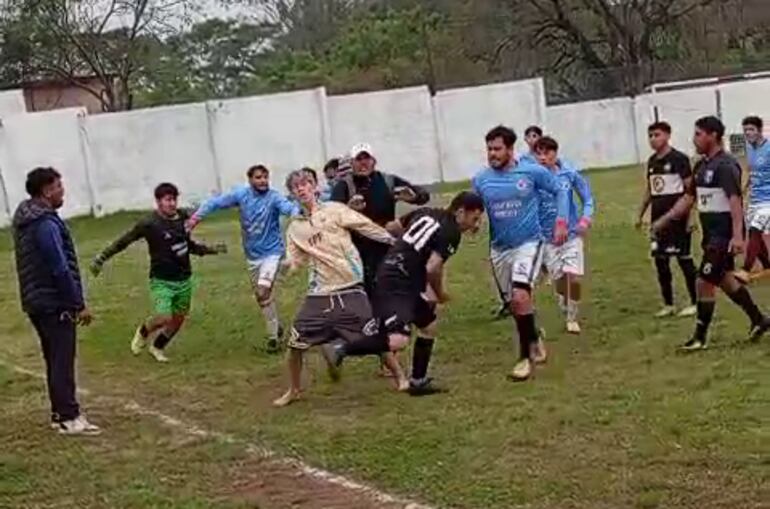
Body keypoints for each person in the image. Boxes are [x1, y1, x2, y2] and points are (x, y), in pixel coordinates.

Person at [322, 191, 486, 394]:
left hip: (398, 274)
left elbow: (392, 228)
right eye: (474, 219)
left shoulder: (426, 212)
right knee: (398, 340)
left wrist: (399, 249)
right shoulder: (451, 231)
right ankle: (340, 347)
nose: (475, 225)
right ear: (460, 212)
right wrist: (440, 293)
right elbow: (433, 268)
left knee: (428, 326)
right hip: (399, 281)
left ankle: (418, 381)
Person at [273, 170, 397, 407]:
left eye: (305, 184)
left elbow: (364, 225)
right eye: (296, 187)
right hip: (320, 290)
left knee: (371, 335)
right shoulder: (295, 228)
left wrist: (391, 240)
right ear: (292, 194)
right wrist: (287, 266)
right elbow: (296, 260)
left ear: (315, 187)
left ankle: (401, 378)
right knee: (295, 343)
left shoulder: (334, 210)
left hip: (349, 283)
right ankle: (294, 390)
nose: (301, 189)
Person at [473, 126, 569, 381]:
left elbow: (560, 190)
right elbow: (475, 206)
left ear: (510, 149)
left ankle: (525, 358)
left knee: (520, 294)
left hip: (529, 244)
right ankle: (534, 336)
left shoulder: (531, 172)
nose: (492, 154)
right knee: (515, 304)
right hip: (499, 249)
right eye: (489, 149)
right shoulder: (482, 179)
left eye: (497, 149)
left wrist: (561, 220)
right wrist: (474, 221)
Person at [91, 183, 226, 362]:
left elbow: (187, 245)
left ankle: (157, 347)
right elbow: (124, 240)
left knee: (177, 320)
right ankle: (143, 331)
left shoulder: (182, 218)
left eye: (174, 199)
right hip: (161, 280)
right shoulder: (149, 224)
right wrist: (102, 257)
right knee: (163, 317)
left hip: (184, 279)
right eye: (168, 200)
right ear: (158, 202)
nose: (172, 204)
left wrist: (210, 250)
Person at [12, 167, 100, 435]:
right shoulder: (45, 224)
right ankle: (69, 417)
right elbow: (59, 267)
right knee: (62, 359)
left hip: (36, 300)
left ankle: (59, 413)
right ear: (47, 191)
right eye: (59, 186)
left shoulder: (27, 219)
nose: (63, 191)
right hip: (53, 302)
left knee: (54, 358)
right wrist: (77, 304)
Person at [676, 116, 770, 351]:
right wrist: (670, 219)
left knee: (704, 280)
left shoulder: (725, 165)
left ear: (713, 136)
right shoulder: (701, 165)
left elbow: (735, 202)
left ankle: (699, 338)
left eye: (698, 134)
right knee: (725, 279)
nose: (694, 139)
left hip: (723, 235)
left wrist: (737, 236)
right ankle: (759, 319)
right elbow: (691, 198)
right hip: (710, 234)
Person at [187, 165, 299, 353]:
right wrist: (195, 219)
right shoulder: (241, 195)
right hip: (253, 256)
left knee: (263, 291)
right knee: (262, 297)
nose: (263, 181)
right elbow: (215, 203)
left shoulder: (274, 197)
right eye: (258, 177)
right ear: (250, 180)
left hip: (272, 253)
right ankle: (276, 327)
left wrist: (298, 213)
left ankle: (273, 339)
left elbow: (289, 208)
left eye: (265, 177)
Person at [330, 143, 430, 297]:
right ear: (352, 163)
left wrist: (414, 197)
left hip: (386, 245)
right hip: (357, 249)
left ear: (374, 161)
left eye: (367, 158)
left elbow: (423, 195)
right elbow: (330, 215)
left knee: (391, 287)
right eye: (359, 159)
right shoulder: (344, 186)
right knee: (363, 292)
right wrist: (348, 209)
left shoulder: (387, 181)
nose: (363, 163)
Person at [635, 121, 698, 318]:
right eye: (650, 136)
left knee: (684, 260)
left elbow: (690, 190)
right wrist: (640, 213)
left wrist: (690, 217)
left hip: (678, 219)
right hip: (657, 220)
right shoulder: (652, 161)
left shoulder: (679, 159)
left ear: (668, 136)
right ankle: (668, 304)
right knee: (660, 261)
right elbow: (650, 189)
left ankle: (696, 301)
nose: (653, 139)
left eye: (657, 135)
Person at [534, 136, 595, 334]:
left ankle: (572, 318)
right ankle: (564, 300)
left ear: (555, 153)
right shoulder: (532, 179)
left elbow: (587, 198)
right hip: (548, 240)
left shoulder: (568, 174)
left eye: (547, 153)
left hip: (571, 236)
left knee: (573, 278)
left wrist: (584, 220)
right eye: (539, 154)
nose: (543, 158)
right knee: (561, 282)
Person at [736, 116, 770, 282]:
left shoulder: (769, 148)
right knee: (753, 232)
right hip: (755, 199)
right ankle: (768, 266)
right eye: (745, 130)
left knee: (756, 230)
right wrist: (744, 189)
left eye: (751, 129)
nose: (748, 133)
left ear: (759, 130)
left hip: (768, 201)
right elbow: (752, 172)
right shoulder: (749, 149)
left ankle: (745, 270)